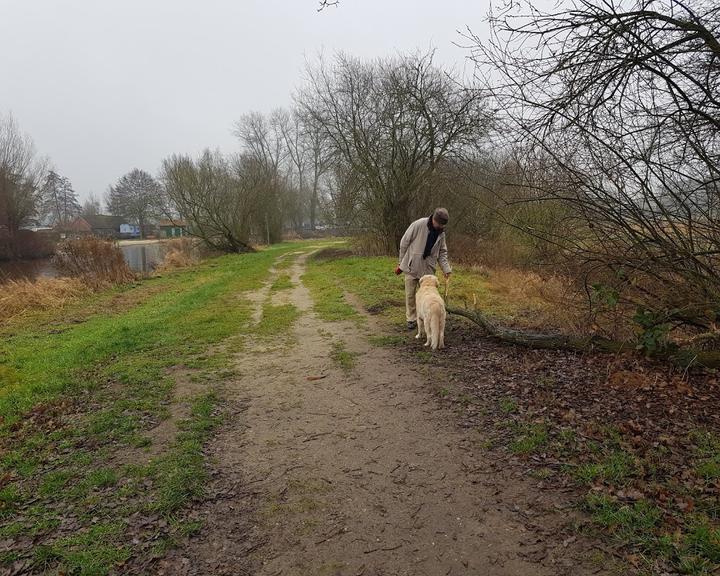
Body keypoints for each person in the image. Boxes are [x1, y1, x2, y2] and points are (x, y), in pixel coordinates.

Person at [395, 207, 451, 330]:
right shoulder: (418, 224)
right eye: (439, 224)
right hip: (411, 265)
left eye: (442, 225)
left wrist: (446, 269)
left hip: (428, 270)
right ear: (434, 219)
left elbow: (442, 252)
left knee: (428, 296)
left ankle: (427, 317)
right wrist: (401, 262)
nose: (440, 227)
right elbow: (404, 242)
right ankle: (411, 318)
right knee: (410, 295)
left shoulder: (441, 234)